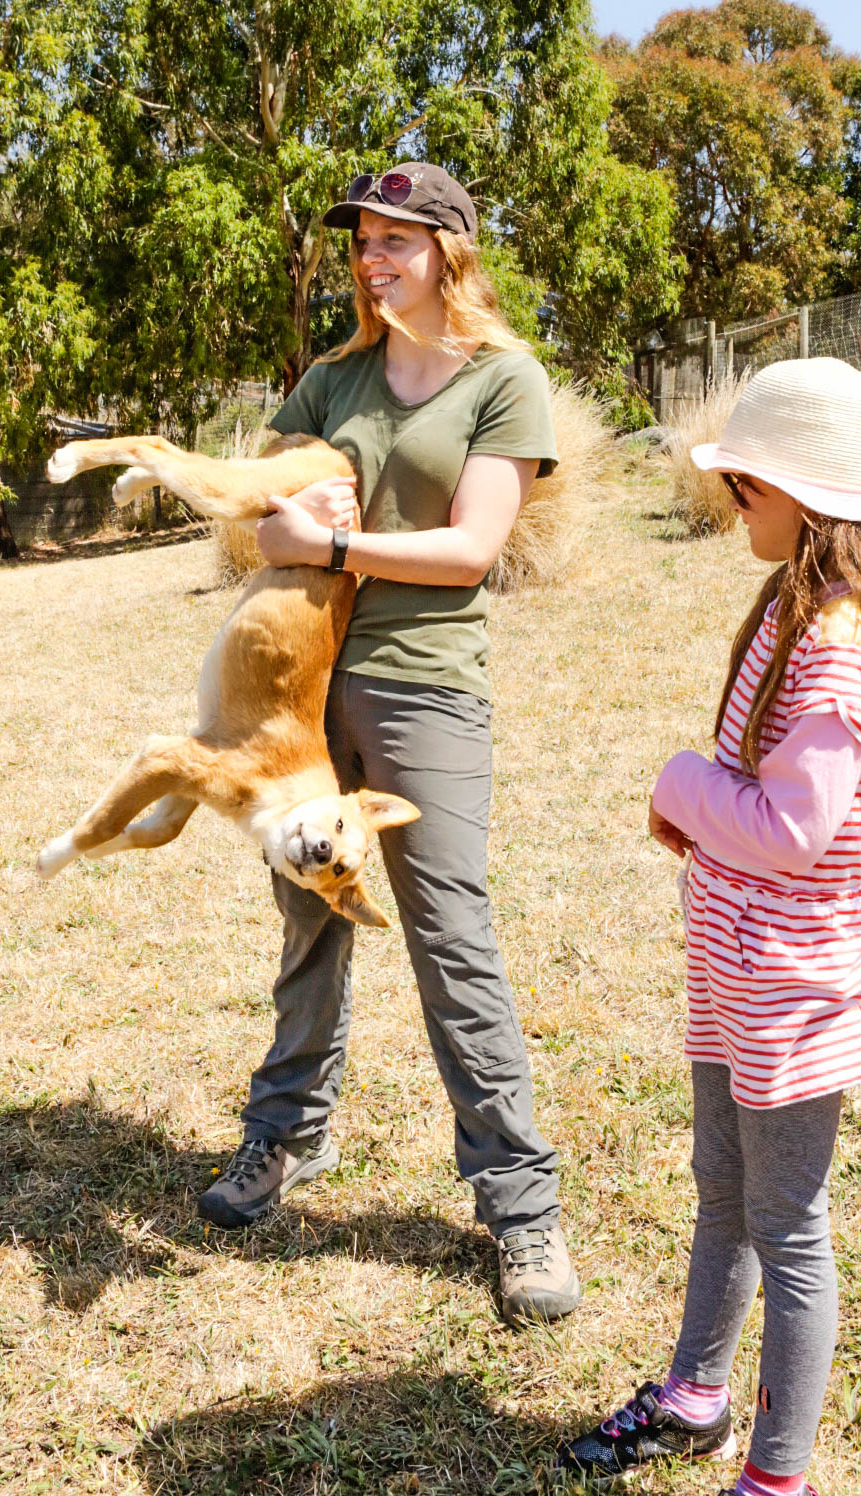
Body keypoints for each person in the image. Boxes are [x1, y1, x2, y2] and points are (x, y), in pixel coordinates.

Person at [559, 358, 861, 1491]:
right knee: (722, 1194)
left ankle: (775, 1475)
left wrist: (681, 783)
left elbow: (793, 828)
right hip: (738, 973)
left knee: (786, 1229)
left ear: (806, 499)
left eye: (744, 486)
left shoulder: (839, 644)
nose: (729, 500)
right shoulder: (795, 604)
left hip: (792, 988)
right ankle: (693, 1395)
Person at [197, 162, 581, 1325]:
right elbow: (250, 516)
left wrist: (333, 547)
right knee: (308, 913)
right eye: (361, 240)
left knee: (450, 936)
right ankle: (284, 1140)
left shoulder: (503, 382)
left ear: (449, 251)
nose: (371, 258)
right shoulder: (330, 379)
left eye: (395, 241)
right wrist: (295, 531)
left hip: (423, 693)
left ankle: (519, 1209)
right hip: (301, 693)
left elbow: (469, 551)